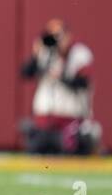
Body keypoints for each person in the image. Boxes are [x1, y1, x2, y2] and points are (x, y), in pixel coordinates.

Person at [19, 19, 98, 155]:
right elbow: (25, 73)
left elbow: (83, 84)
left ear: (68, 36)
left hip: (70, 121)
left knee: (72, 149)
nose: (56, 40)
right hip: (44, 123)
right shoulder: (45, 53)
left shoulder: (79, 54)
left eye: (59, 36)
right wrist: (35, 56)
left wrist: (62, 76)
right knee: (34, 147)